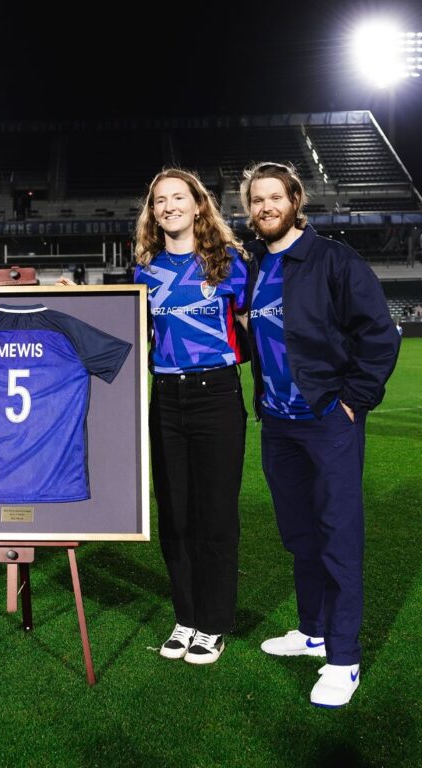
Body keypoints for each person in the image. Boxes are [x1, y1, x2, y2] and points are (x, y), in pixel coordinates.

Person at [241, 162, 400, 708]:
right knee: (300, 535)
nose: (264, 207)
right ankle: (312, 632)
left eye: (273, 197)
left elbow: (379, 333)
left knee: (337, 535)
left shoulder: (333, 258)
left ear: (294, 199)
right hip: (279, 423)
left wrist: (354, 398)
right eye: (255, 200)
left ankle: (344, 658)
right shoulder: (257, 264)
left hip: (327, 420)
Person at [134, 169, 249, 665]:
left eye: (178, 197)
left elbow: (257, 325)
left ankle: (214, 623)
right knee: (176, 515)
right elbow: (127, 333)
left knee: (216, 516)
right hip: (166, 396)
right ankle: (186, 617)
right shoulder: (145, 270)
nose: (169, 206)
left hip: (217, 394)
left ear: (199, 205)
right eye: (160, 200)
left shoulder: (228, 264)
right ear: (153, 212)